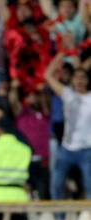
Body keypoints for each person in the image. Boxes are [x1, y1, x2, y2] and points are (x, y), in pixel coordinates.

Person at [45, 53, 91, 201]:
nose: (79, 80)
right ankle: (59, 218)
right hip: (66, 149)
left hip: (87, 150)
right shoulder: (67, 94)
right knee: (56, 184)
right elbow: (47, 75)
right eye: (76, 77)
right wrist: (59, 56)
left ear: (87, 81)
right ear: (71, 80)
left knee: (89, 185)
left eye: (83, 77)